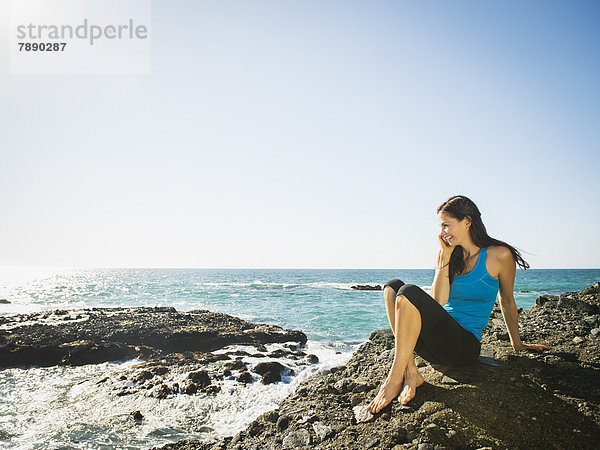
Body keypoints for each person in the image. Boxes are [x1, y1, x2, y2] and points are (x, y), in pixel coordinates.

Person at [367, 195, 549, 414]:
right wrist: (443, 257)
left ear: (467, 221)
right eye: (440, 226)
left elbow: (507, 301)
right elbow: (440, 301)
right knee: (392, 287)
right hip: (437, 343)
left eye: (446, 225)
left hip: (463, 347)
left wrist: (517, 344)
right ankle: (410, 371)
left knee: (407, 293)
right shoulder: (450, 255)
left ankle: (393, 379)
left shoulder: (499, 255)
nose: (442, 232)